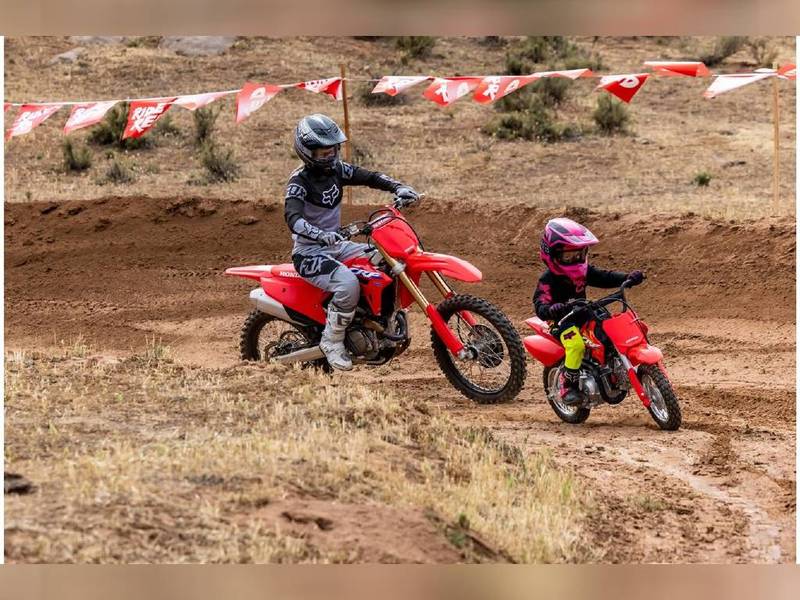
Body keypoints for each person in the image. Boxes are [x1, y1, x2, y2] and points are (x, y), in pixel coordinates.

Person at [284, 114, 419, 371]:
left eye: (333, 149)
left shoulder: (338, 170)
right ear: (307, 152)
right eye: (323, 152)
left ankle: (378, 321)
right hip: (309, 253)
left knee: (386, 259)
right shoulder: (299, 182)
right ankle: (332, 341)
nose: (330, 155)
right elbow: (293, 218)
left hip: (338, 245)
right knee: (347, 284)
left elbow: (370, 177)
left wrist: (399, 187)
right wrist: (319, 234)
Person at [533, 217, 645, 405]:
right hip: (562, 321)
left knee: (611, 331)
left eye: (580, 254)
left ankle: (613, 369)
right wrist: (551, 309)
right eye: (569, 256)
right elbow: (540, 302)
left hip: (583, 313)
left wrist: (627, 278)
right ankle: (568, 385)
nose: (575, 259)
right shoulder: (548, 280)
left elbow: (604, 277)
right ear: (552, 254)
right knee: (576, 346)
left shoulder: (585, 271)